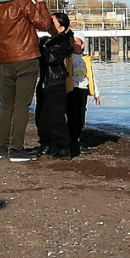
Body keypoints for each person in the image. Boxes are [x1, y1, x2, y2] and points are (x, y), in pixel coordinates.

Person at [0, 0, 51, 163]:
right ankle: (16, 149)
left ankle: (1, 147)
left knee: (6, 105)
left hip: (5, 59)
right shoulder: (22, 1)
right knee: (22, 105)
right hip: (26, 57)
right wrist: (41, 2)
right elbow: (44, 24)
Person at [34, 13, 75, 160]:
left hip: (56, 83)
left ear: (61, 28)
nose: (48, 24)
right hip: (44, 82)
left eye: (52, 22)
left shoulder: (63, 42)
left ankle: (63, 147)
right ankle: (45, 143)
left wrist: (41, 47)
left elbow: (51, 59)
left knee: (56, 117)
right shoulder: (46, 40)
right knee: (41, 116)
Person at [66, 31, 100, 158]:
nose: (73, 44)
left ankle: (77, 138)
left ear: (83, 45)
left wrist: (96, 93)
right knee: (72, 115)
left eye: (76, 42)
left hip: (83, 89)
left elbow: (91, 77)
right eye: (72, 41)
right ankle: (72, 141)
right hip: (71, 89)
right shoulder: (68, 57)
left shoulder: (86, 60)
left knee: (81, 114)